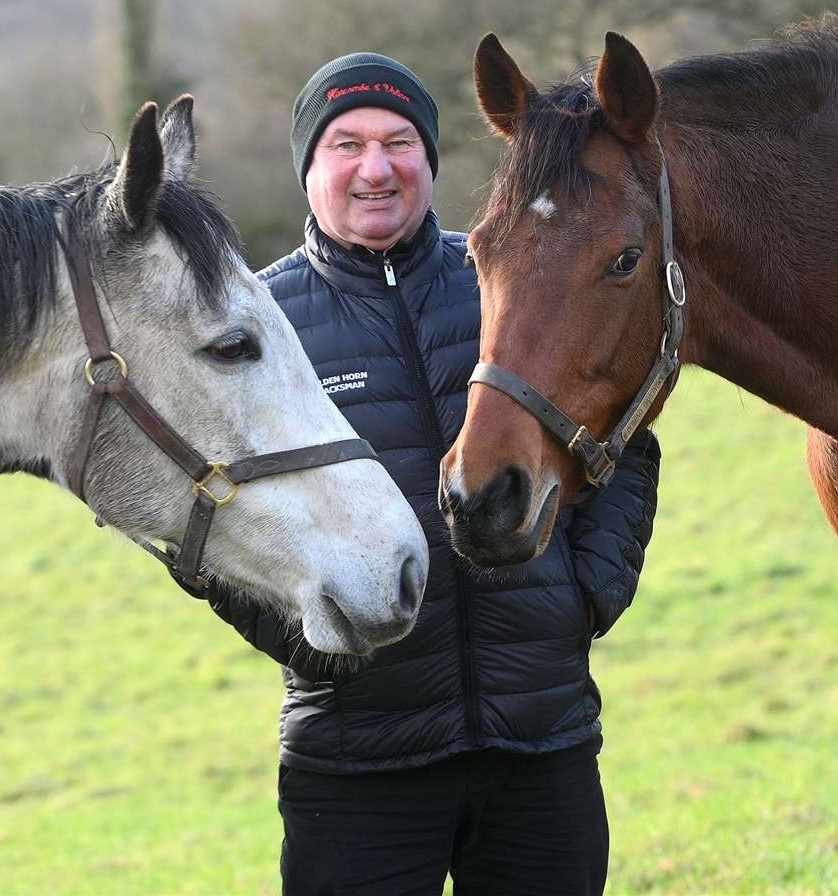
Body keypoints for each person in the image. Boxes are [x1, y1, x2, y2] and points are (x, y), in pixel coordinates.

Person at [208, 52, 660, 896]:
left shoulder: (508, 277)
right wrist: (319, 647)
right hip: (356, 767)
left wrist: (585, 592)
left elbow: (625, 431)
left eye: (399, 141)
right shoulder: (256, 330)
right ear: (308, 167)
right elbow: (205, 517)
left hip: (541, 745)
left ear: (430, 159)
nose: (375, 168)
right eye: (346, 144)